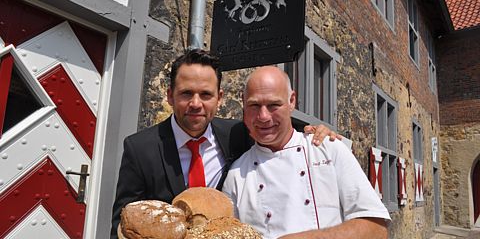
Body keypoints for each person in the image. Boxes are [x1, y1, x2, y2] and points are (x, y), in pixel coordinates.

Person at [110, 50, 338, 238]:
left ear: (219, 98)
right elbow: (123, 224)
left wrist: (312, 133)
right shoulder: (140, 148)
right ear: (170, 96)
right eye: (186, 93)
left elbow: (277, 135)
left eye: (206, 94)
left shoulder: (238, 134)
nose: (196, 104)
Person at [222, 66, 391, 239]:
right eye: (254, 105)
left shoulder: (329, 149)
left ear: (292, 101)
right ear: (243, 103)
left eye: (274, 105)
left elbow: (376, 228)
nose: (263, 116)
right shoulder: (236, 174)